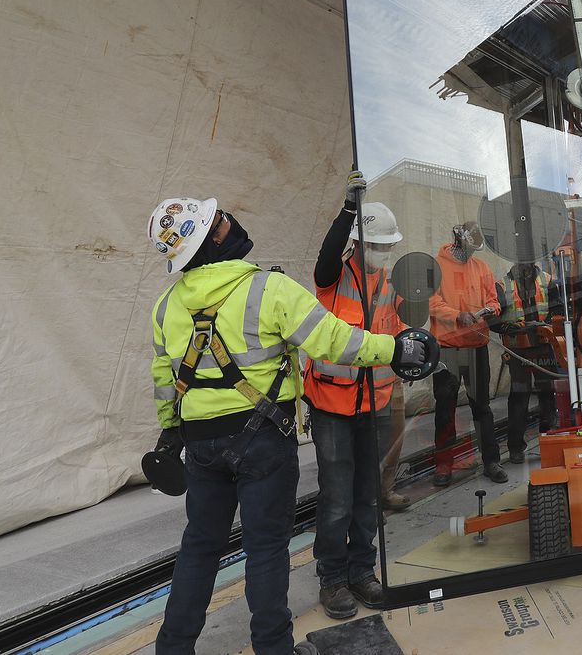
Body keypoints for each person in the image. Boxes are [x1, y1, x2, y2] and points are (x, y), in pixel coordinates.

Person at [145, 195, 428, 655]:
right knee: (265, 550)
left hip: (199, 445)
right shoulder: (268, 289)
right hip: (261, 441)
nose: (230, 221)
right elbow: (334, 340)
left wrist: (170, 429)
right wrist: (395, 349)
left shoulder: (165, 306)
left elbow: (165, 380)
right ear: (210, 240)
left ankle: (173, 649)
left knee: (199, 547)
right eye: (220, 221)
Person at [302, 172, 406, 619]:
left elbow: (398, 331)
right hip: (332, 406)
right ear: (358, 243)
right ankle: (332, 577)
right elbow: (327, 254)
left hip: (375, 403)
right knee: (337, 497)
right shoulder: (333, 276)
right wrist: (348, 209)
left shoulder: (390, 283)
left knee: (367, 495)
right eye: (376, 245)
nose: (383, 253)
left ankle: (362, 570)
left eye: (388, 246)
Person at [429, 220, 506, 485]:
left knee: (482, 408)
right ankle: (443, 466)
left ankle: (491, 461)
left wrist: (492, 309)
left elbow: (493, 299)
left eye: (475, 249)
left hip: (476, 347)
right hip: (447, 350)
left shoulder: (482, 268)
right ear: (458, 239)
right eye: (469, 247)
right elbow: (432, 302)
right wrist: (456, 315)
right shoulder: (436, 267)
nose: (471, 252)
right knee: (445, 411)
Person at [499, 261, 560, 462]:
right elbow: (494, 320)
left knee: (547, 394)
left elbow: (558, 311)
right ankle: (516, 448)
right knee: (519, 397)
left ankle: (548, 440)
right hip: (518, 350)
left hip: (543, 345)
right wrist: (510, 328)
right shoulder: (503, 285)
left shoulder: (547, 281)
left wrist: (545, 324)